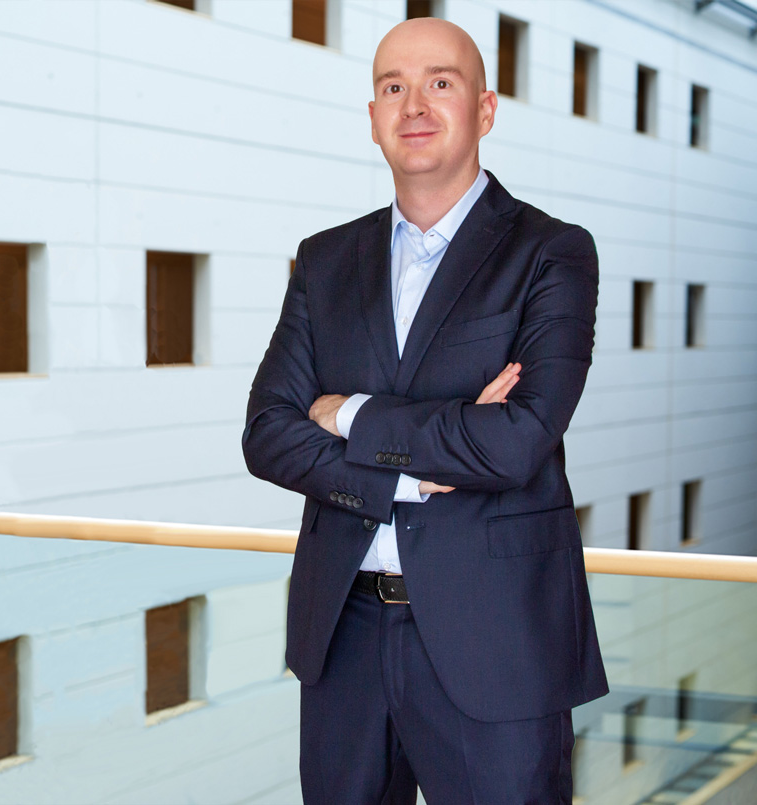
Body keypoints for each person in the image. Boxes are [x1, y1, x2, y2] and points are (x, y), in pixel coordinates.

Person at [242, 17, 609, 804]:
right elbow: (268, 432)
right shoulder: (324, 259)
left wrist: (348, 413)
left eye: (440, 83)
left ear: (485, 109)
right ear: (373, 117)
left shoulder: (552, 252)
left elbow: (516, 441)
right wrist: (414, 468)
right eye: (393, 87)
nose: (414, 105)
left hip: (499, 643)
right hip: (343, 638)